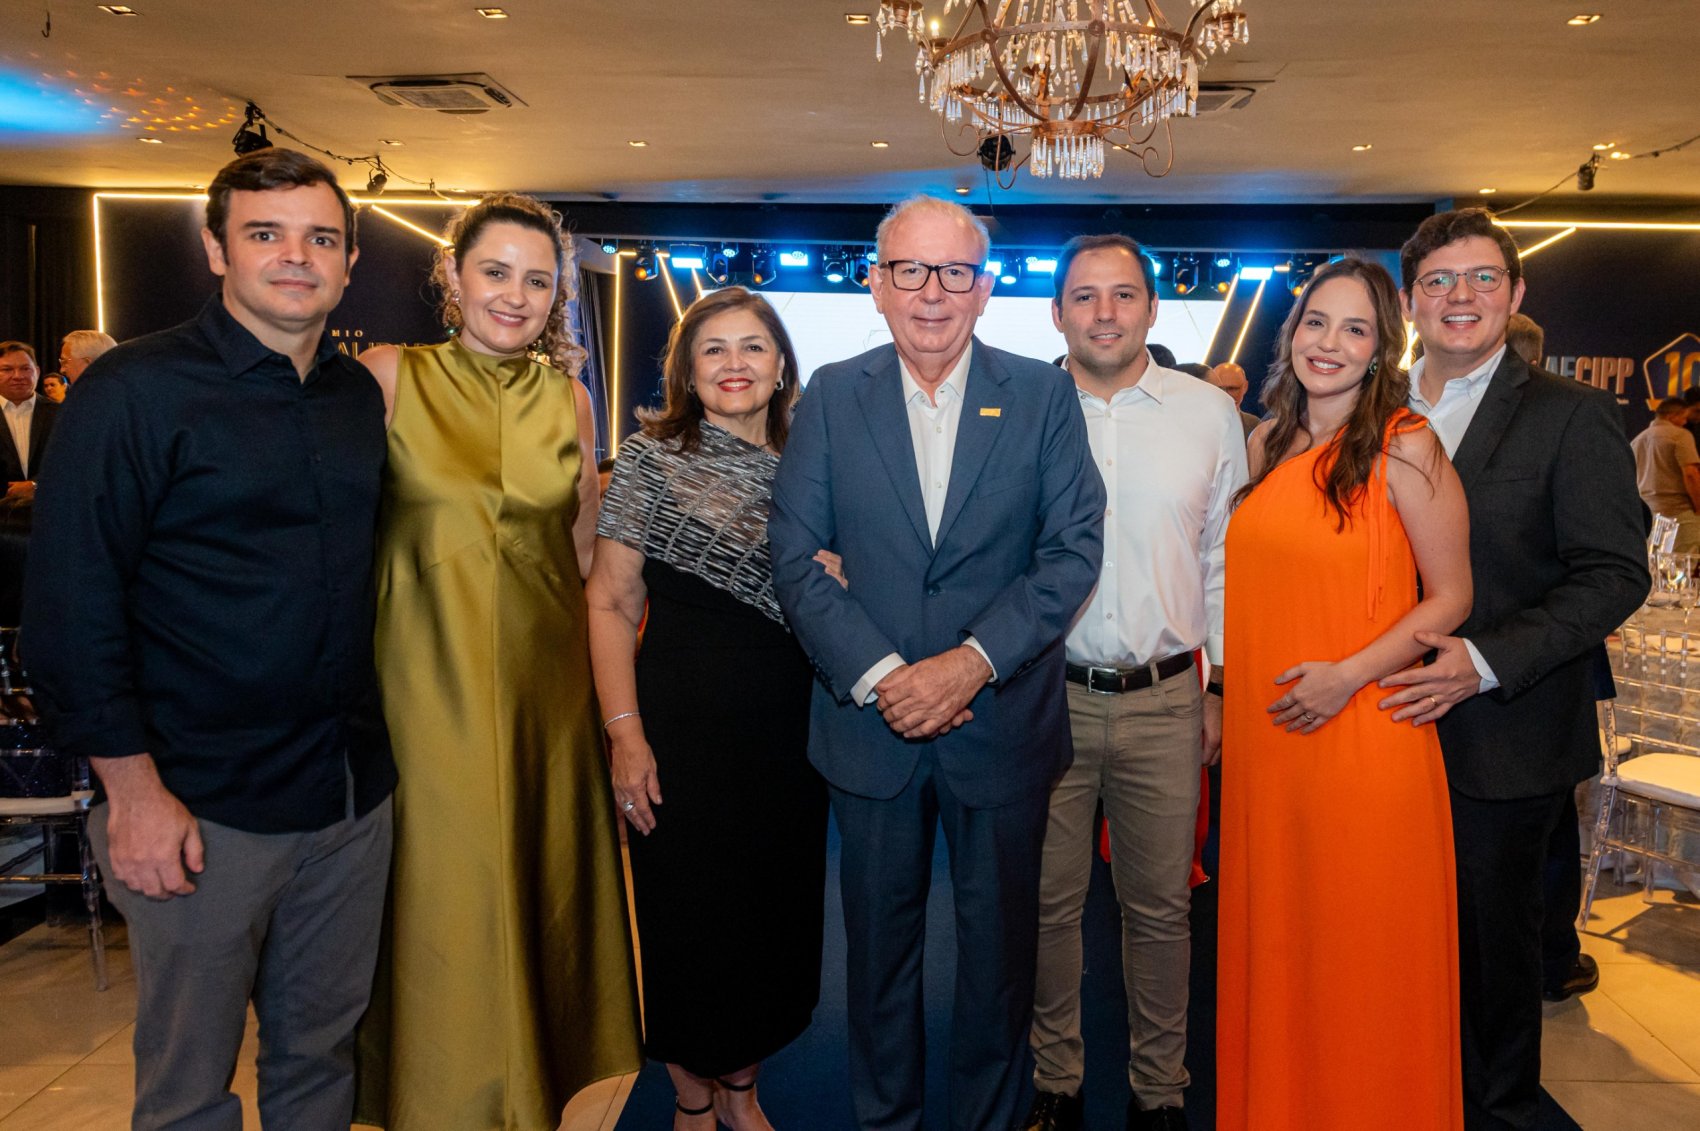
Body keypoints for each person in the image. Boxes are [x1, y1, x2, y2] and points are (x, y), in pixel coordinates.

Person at [22, 147, 396, 1130]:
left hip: (347, 795)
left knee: (320, 1060)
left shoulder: (356, 398)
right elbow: (69, 607)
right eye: (265, 234)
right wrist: (133, 793)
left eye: (320, 238)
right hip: (198, 805)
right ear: (216, 250)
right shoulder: (134, 391)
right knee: (188, 1087)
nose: (295, 257)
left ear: (350, 261)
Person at [768, 195, 1105, 1131]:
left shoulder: (1041, 396)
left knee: (998, 968)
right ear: (876, 285)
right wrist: (887, 677)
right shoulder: (832, 394)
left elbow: (1072, 552)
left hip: (1001, 725)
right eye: (909, 271)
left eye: (954, 272)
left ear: (985, 289)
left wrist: (968, 664)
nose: (931, 293)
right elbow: (794, 558)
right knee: (878, 965)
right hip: (869, 732)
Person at [353, 192, 642, 1130]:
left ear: (558, 295)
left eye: (537, 280)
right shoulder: (389, 376)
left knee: (533, 900)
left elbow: (585, 559)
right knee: (441, 903)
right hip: (417, 689)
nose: (515, 296)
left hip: (543, 698)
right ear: (453, 274)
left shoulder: (570, 399)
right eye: (495, 272)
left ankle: (528, 1099)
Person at [1377, 208, 1649, 1131]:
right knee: (1390, 936)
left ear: (1516, 292)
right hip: (1374, 721)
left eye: (1483, 278)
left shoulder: (1571, 415)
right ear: (1410, 300)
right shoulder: (1370, 406)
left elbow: (1613, 574)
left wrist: (1486, 661)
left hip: (1502, 729)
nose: (1462, 296)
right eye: (1440, 281)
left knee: (1492, 956)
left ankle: (1492, 1114)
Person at [1217, 256, 1473, 1130]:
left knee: (1361, 956)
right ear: (1292, 333)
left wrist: (1348, 675)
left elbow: (1452, 596)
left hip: (1364, 735)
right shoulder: (1264, 443)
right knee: (1282, 948)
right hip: (1268, 745)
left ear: (1381, 348)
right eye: (1317, 322)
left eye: (1355, 328)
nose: (1330, 343)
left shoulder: (1407, 442)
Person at [587, 286, 828, 1131]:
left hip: (788, 733)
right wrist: (624, 736)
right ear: (686, 370)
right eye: (713, 349)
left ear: (781, 364)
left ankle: (741, 1092)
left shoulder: (814, 461)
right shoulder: (649, 460)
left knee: (768, 918)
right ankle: (692, 1097)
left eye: (752, 346)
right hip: (678, 729)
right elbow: (609, 601)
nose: (734, 364)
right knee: (687, 919)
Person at [1022, 236, 1246, 1131]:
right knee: (1048, 907)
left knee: (1160, 911)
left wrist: (1221, 687)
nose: (1105, 312)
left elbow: (1224, 561)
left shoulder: (1209, 413)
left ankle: (1160, 1092)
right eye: (1085, 296)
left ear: (1153, 307)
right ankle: (1057, 1082)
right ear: (1057, 313)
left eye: (1123, 294)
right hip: (1045, 698)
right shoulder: (1024, 410)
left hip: (1168, 699)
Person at [1631, 398, 1700, 552]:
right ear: (1672, 416)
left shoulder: (1637, 439)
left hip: (1648, 515)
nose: (1685, 422)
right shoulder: (1680, 435)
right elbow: (1691, 474)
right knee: (1686, 562)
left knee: (1655, 562)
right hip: (1679, 513)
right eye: (1683, 417)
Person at [0, 341, 57, 501]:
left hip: (50, 507)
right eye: (7, 369)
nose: (18, 376)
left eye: (25, 368)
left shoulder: (61, 413)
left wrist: (36, 486)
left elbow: (72, 460)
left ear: (37, 372)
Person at [1207, 362, 1260, 439]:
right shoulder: (1196, 422)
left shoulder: (1254, 424)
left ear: (1245, 387)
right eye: (1220, 389)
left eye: (1232, 389)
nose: (1226, 395)